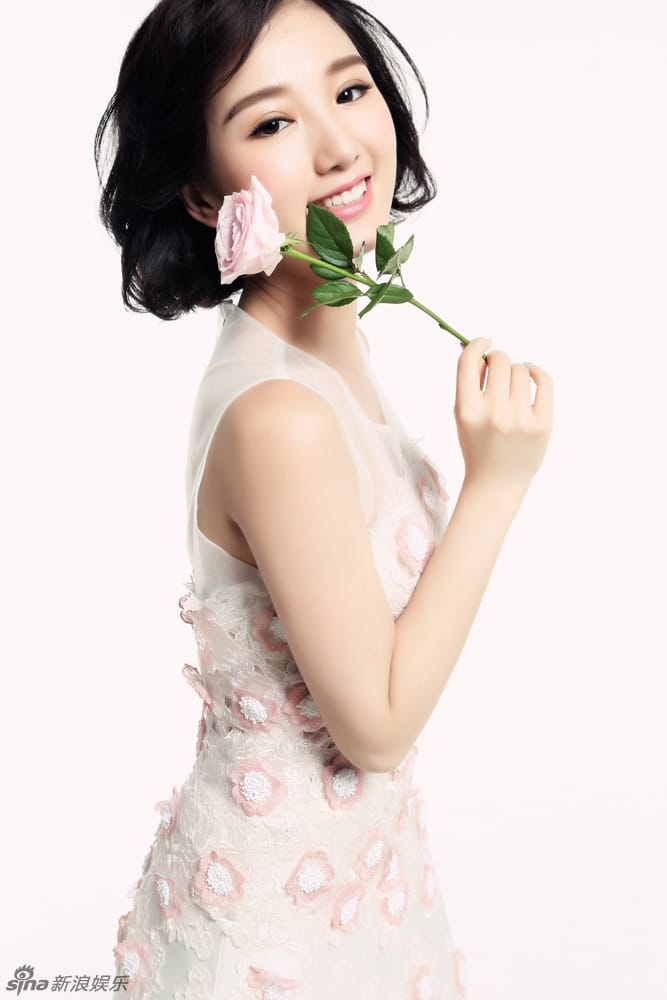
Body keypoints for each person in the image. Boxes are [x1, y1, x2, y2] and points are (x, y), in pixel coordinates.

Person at [94, 0, 554, 996]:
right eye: (271, 121)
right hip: (277, 945)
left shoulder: (328, 341)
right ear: (204, 194)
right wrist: (495, 485)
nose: (340, 145)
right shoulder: (280, 416)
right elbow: (375, 725)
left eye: (348, 90)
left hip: (366, 891)